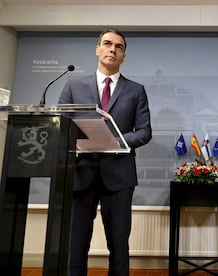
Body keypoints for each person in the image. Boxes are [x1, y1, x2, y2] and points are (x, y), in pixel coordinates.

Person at [59, 29, 152, 276]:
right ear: (98, 49)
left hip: (119, 176)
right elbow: (61, 124)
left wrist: (113, 141)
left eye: (118, 47)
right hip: (81, 173)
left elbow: (144, 132)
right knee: (76, 243)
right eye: (107, 44)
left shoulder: (136, 90)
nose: (112, 49)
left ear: (123, 55)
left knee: (119, 244)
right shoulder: (73, 84)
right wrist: (80, 139)